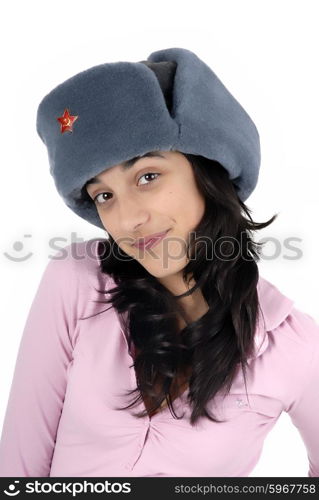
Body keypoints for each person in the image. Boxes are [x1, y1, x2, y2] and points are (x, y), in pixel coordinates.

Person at [0, 47, 318, 478]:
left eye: (148, 176)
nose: (128, 219)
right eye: (104, 195)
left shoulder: (293, 346)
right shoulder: (76, 282)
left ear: (207, 172)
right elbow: (19, 464)